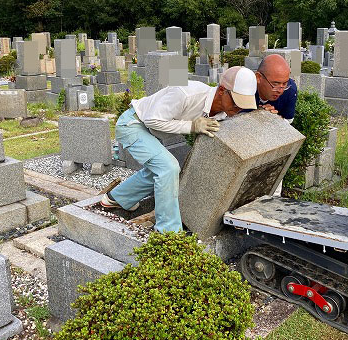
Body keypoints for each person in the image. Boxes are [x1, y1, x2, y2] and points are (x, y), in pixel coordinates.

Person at [100, 66, 258, 232]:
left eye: (243, 103)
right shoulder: (186, 93)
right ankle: (168, 232)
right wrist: (191, 126)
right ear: (222, 91)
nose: (239, 108)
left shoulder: (224, 112)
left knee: (160, 170)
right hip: (133, 124)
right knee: (168, 167)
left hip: (150, 130)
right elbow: (152, 119)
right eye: (236, 101)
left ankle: (116, 198)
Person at [254, 54, 298, 122]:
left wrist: (276, 119)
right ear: (258, 78)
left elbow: (288, 119)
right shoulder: (244, 90)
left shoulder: (290, 89)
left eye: (284, 84)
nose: (280, 91)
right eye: (275, 84)